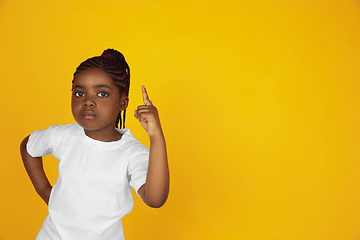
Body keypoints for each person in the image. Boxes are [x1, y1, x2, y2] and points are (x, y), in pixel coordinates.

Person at [20, 49, 169, 240]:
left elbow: (155, 199)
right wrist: (45, 191)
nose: (88, 101)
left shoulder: (131, 153)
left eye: (102, 94)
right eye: (80, 93)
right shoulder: (64, 135)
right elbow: (28, 147)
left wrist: (156, 137)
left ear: (123, 103)